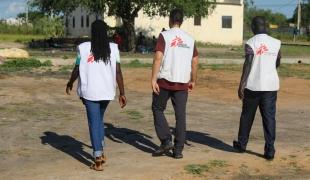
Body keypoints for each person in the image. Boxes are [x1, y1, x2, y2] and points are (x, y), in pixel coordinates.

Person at [66, 20, 127, 171]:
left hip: (90, 91)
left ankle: (98, 158)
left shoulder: (83, 48)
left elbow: (77, 68)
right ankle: (101, 149)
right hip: (106, 92)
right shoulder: (113, 48)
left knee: (94, 123)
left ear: (92, 32)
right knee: (98, 120)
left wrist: (70, 82)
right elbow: (118, 71)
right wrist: (122, 92)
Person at [151, 8, 199, 159]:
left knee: (157, 108)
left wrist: (153, 78)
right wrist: (193, 79)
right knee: (180, 116)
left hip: (164, 80)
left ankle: (166, 140)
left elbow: (158, 57)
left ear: (170, 20)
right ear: (182, 21)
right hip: (182, 82)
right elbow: (195, 60)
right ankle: (178, 150)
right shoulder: (190, 39)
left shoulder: (164, 36)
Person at [233, 16, 281, 161]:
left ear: (254, 26)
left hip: (253, 86)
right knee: (269, 118)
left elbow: (248, 63)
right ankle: (270, 150)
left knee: (247, 116)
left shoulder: (251, 42)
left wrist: (242, 84)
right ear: (265, 26)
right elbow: (277, 62)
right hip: (270, 86)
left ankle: (242, 145)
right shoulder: (276, 43)